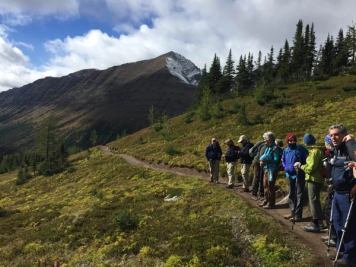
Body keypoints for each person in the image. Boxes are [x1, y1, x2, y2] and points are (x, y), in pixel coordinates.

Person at [328, 124, 356, 266]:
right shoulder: (336, 150)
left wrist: (351, 142)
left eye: (337, 134)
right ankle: (341, 249)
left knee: (348, 226)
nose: (333, 137)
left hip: (347, 195)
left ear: (344, 135)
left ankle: (349, 258)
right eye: (331, 135)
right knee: (338, 224)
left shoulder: (349, 148)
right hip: (337, 193)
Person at [294, 133, 324, 232]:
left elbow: (310, 168)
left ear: (306, 142)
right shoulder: (316, 150)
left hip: (313, 179)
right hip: (316, 178)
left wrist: (300, 166)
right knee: (315, 200)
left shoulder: (314, 152)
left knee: (313, 200)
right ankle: (319, 222)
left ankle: (316, 223)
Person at [281, 133, 308, 222]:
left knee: (299, 194)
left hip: (299, 174)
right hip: (289, 175)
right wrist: (285, 167)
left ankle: (298, 215)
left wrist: (301, 165)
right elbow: (283, 160)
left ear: (296, 141)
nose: (292, 142)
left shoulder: (300, 149)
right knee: (292, 193)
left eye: (293, 140)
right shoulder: (286, 150)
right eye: (290, 140)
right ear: (287, 141)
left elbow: (306, 160)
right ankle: (292, 212)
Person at [259, 131, 281, 209]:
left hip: (272, 170)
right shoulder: (268, 147)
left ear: (270, 139)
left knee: (270, 186)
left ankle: (271, 203)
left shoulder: (275, 148)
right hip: (266, 169)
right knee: (265, 185)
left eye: (265, 139)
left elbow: (276, 159)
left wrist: (265, 160)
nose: (264, 141)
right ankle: (266, 200)